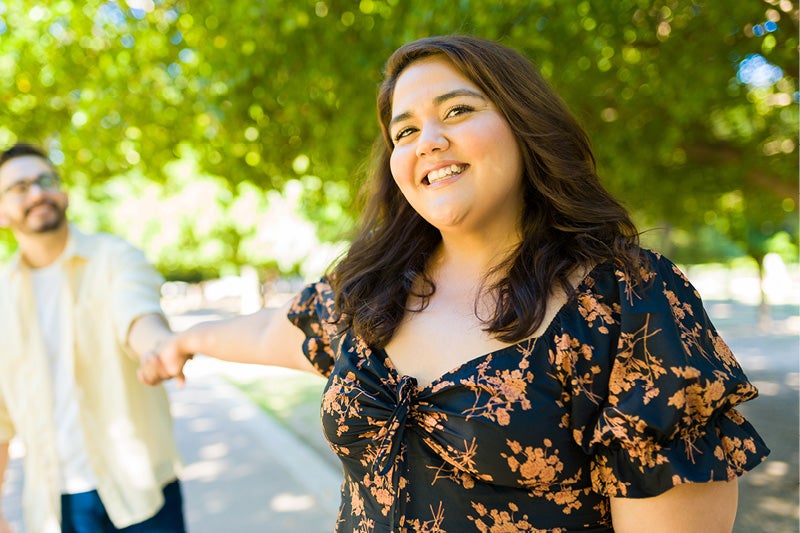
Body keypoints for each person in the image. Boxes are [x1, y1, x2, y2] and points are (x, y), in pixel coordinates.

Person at [140, 35, 769, 532]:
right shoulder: (370, 288)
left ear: (525, 125)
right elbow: (263, 332)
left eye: (458, 111)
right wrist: (184, 341)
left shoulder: (630, 301)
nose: (428, 141)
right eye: (405, 130)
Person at [0, 143, 186, 533]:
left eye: (45, 180)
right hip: (55, 502)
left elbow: (136, 312)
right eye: (19, 187)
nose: (36, 193)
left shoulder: (115, 256)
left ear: (63, 193)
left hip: (143, 487)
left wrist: (157, 347)